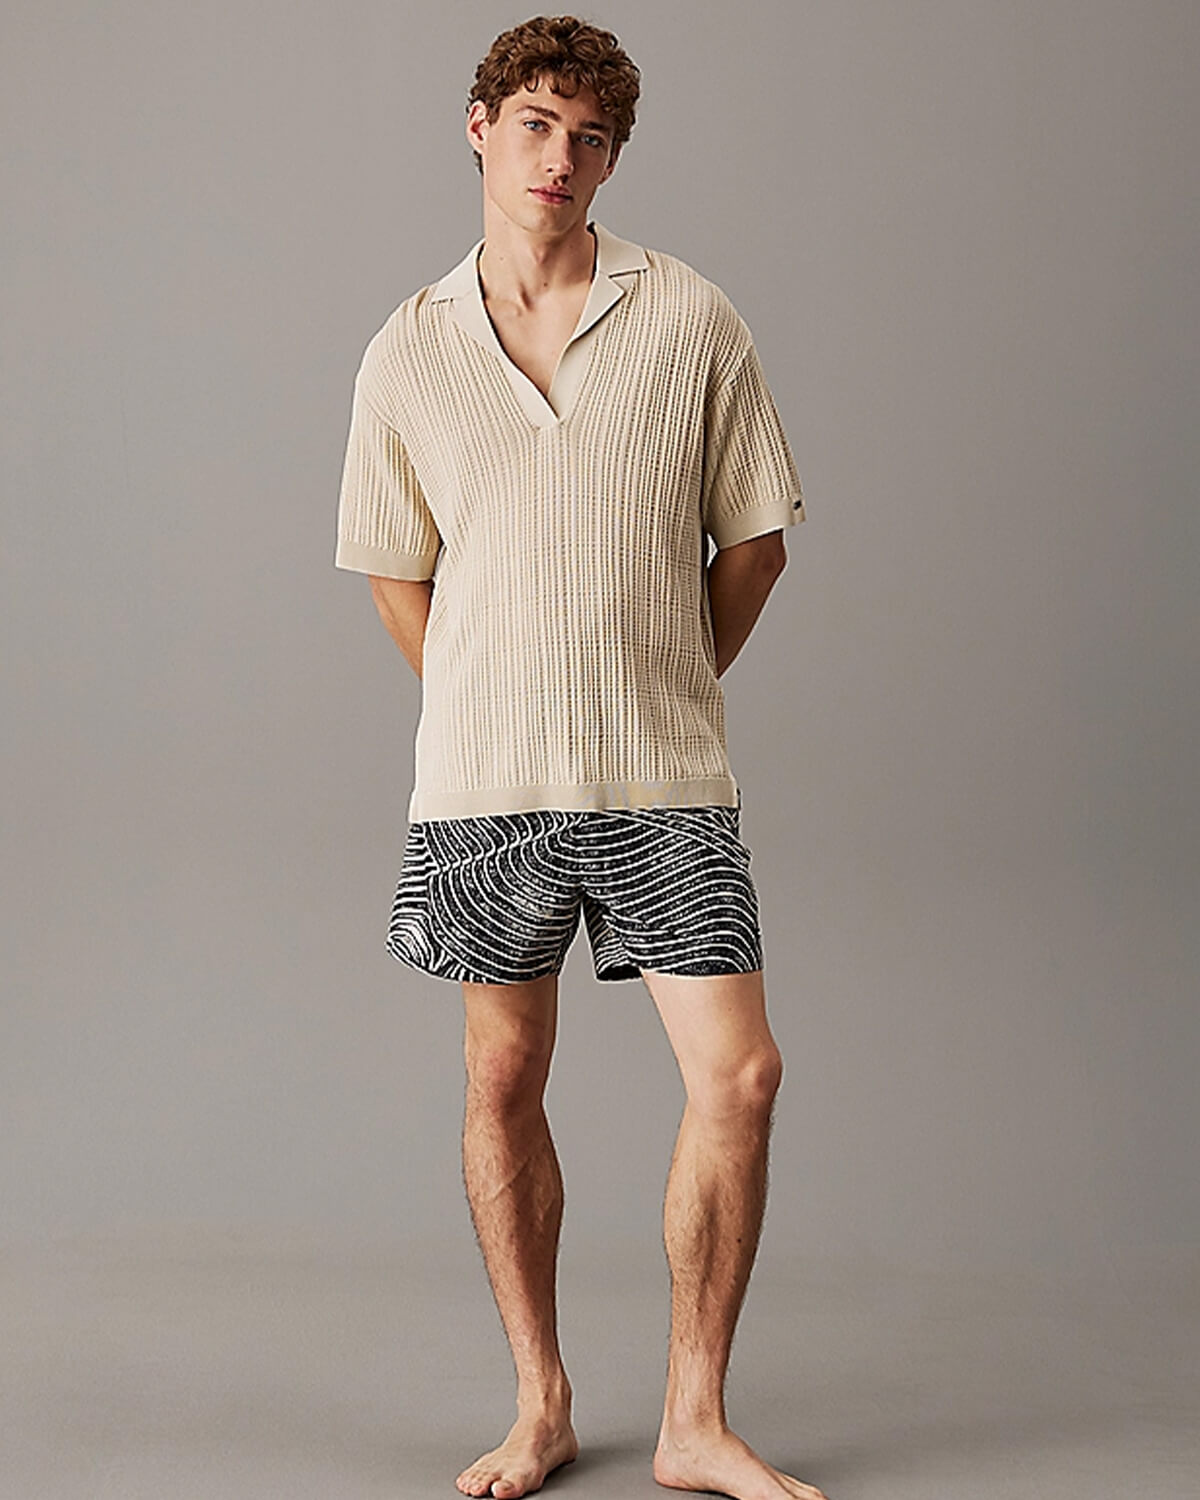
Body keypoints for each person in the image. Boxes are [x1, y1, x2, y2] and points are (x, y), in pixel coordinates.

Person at [334, 16, 826, 1500]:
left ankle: (695, 1419)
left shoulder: (691, 317)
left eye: (591, 138)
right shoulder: (407, 348)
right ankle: (539, 1402)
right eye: (538, 125)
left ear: (613, 159)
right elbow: (394, 569)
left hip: (663, 777)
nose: (561, 158)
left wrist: (657, 680)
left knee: (739, 1078)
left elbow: (756, 543)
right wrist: (492, 699)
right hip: (483, 787)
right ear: (480, 128)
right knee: (502, 1075)